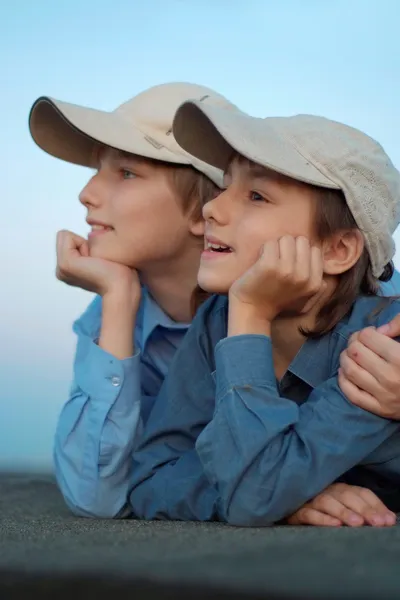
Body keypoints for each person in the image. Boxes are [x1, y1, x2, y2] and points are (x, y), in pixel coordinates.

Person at [30, 84, 398, 527]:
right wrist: (287, 490)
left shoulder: (379, 347)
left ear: (338, 250)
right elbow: (147, 480)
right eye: (224, 187)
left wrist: (250, 313)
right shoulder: (218, 318)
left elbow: (251, 494)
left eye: (256, 196)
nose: (213, 208)